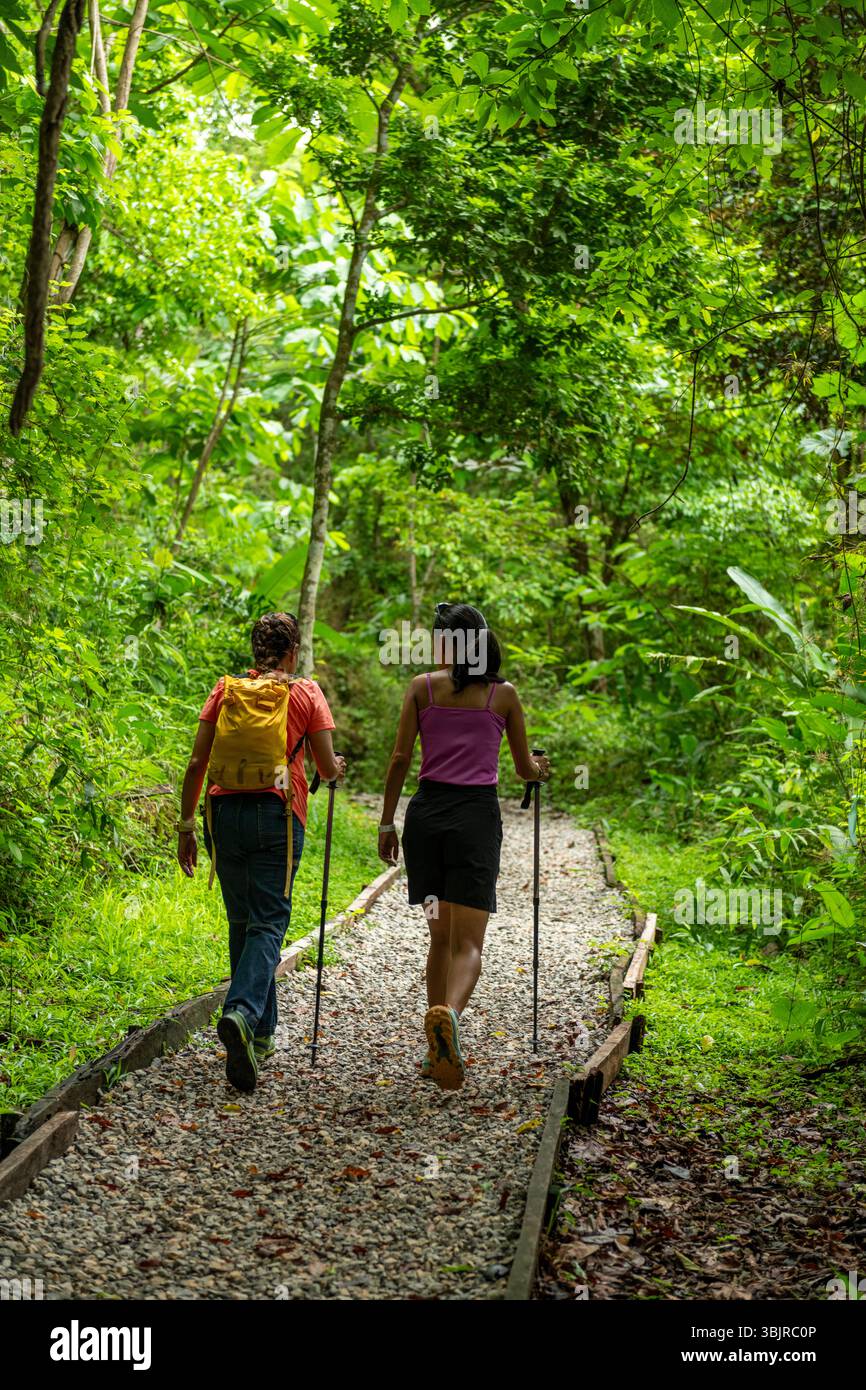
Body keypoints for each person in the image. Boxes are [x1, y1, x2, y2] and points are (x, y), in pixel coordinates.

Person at [377, 602, 550, 1091]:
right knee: (470, 942)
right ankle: (449, 1018)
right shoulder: (504, 695)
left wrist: (387, 822)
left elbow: (398, 759)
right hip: (475, 821)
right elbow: (522, 770)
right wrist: (541, 767)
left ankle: (437, 1048)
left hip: (426, 821)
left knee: (439, 937)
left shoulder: (421, 689)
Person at [176, 611, 346, 1092]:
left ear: (255, 650)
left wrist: (186, 825)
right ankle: (244, 1013)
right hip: (277, 815)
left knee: (241, 922)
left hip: (223, 815)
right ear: (293, 651)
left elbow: (196, 762)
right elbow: (328, 768)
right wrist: (336, 768)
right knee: (269, 922)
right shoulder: (305, 692)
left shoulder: (224, 690)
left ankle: (260, 1036)